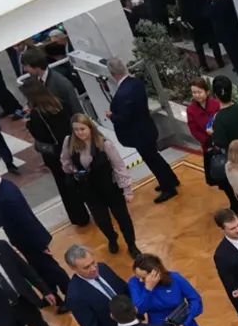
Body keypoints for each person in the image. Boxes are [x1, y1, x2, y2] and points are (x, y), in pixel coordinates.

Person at [0, 161, 69, 306]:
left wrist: (40, 244)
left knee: (51, 269)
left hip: (32, 241)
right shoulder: (3, 188)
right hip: (25, 241)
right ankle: (53, 296)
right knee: (39, 270)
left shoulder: (6, 195)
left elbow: (26, 220)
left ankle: (70, 294)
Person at [61, 113, 140, 258]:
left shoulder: (104, 144)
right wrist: (75, 171)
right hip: (89, 191)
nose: (79, 133)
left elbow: (119, 166)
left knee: (123, 218)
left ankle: (132, 244)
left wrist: (127, 190)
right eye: (76, 130)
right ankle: (112, 237)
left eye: (82, 129)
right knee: (101, 221)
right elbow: (65, 162)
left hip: (110, 187)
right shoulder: (69, 142)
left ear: (90, 128)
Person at [104, 57, 181, 202]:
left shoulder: (122, 94)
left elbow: (125, 118)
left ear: (112, 73)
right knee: (155, 157)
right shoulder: (136, 82)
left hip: (138, 134)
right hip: (147, 127)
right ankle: (171, 179)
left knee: (153, 161)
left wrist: (111, 116)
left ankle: (168, 188)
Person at [19, 78, 90, 226]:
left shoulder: (37, 114)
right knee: (82, 178)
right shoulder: (59, 103)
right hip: (72, 146)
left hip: (56, 155)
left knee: (66, 187)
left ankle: (79, 217)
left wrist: (28, 123)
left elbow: (40, 136)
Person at [18, 47, 82, 115]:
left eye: (26, 66)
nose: (24, 69)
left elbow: (76, 109)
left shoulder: (61, 83)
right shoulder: (34, 79)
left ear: (36, 66)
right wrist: (29, 106)